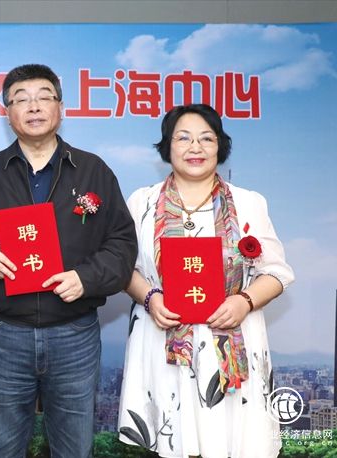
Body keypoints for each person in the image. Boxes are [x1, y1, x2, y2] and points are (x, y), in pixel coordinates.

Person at [0, 64, 137, 457]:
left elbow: (122, 244)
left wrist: (86, 278)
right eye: (21, 99)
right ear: (8, 113)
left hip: (74, 333)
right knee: (2, 446)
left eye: (44, 97)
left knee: (74, 447)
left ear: (60, 107)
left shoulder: (93, 170)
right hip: (4, 334)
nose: (34, 107)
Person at [117, 103, 294, 458]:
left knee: (232, 443)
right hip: (163, 338)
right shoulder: (142, 202)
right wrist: (149, 297)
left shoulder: (248, 202)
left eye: (206, 138)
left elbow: (277, 272)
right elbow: (122, 268)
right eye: (183, 138)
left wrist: (244, 301)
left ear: (220, 146)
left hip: (233, 339)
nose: (194, 147)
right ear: (167, 147)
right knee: (174, 441)